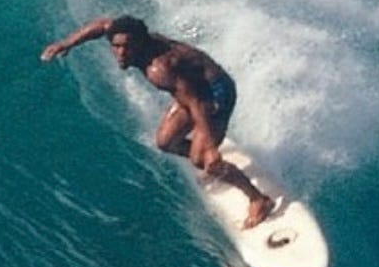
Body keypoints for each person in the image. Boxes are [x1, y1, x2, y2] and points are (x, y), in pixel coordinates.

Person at [41, 14, 274, 228]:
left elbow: (196, 104)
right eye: (117, 46)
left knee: (200, 158)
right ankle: (208, 154)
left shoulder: (159, 69)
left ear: (140, 43)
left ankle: (258, 198)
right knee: (165, 142)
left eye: (128, 47)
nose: (121, 53)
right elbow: (101, 25)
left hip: (214, 93)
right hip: (191, 86)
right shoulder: (126, 34)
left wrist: (210, 149)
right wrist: (67, 43)